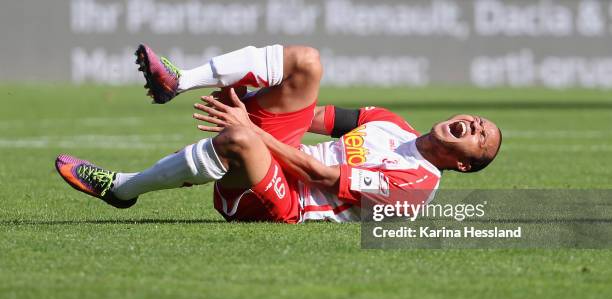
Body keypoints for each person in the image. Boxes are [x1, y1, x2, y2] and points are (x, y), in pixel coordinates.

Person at [55, 44, 502, 223]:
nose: (476, 125)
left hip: (285, 203)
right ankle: (181, 80)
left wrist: (251, 126)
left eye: (481, 137)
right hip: (279, 158)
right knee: (306, 62)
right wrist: (250, 97)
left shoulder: (416, 187)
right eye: (479, 121)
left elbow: (321, 176)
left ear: (463, 163)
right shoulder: (391, 123)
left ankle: (122, 188)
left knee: (241, 139)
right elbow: (306, 115)